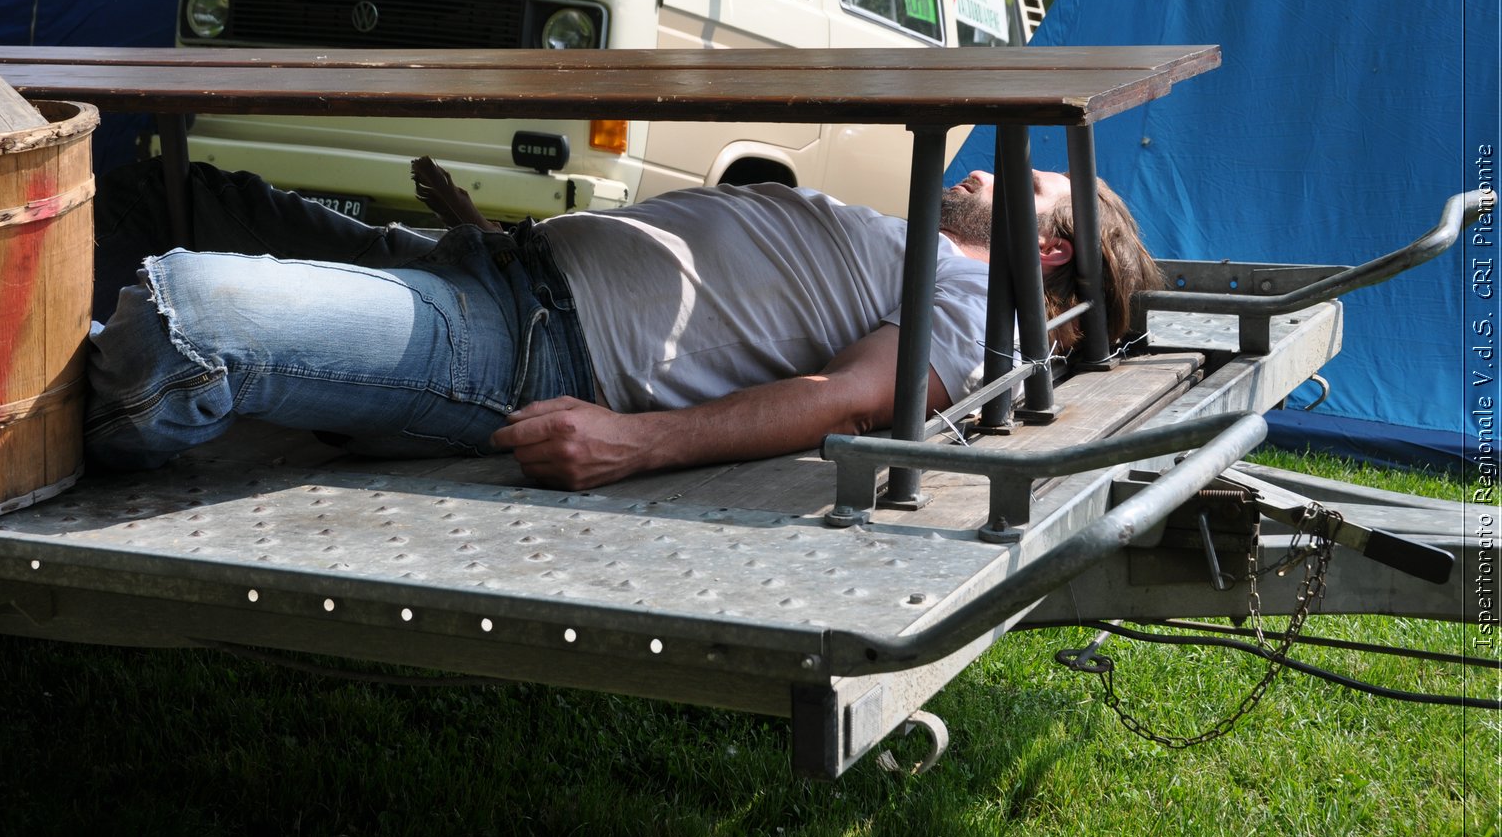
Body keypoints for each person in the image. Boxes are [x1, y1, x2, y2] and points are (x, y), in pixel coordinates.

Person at [84, 157, 1157, 489]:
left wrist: (632, 443)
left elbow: (852, 399)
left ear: (1048, 248)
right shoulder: (907, 237)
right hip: (493, 264)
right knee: (155, 191)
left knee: (195, 318)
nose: (981, 169)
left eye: (1027, 185)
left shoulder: (970, 304)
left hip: (517, 352)